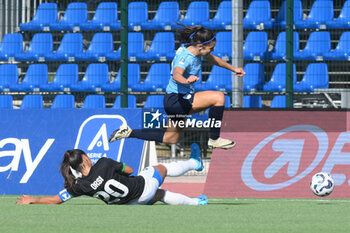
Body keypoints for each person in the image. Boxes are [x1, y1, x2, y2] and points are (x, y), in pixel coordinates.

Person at [109, 25, 245, 150]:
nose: (212, 50)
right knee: (218, 97)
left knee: (171, 138)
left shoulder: (192, 49)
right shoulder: (186, 58)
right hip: (177, 100)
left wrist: (234, 69)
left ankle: (129, 132)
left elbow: (213, 59)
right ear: (200, 46)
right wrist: (186, 81)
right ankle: (214, 139)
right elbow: (176, 74)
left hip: (174, 100)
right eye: (211, 48)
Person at [17, 143, 207, 206]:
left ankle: (197, 202)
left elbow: (57, 199)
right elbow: (131, 170)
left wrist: (33, 199)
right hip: (140, 188)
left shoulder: (78, 186)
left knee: (160, 195)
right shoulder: (104, 163)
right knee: (160, 169)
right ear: (85, 158)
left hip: (131, 203)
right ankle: (195, 163)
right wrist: (118, 168)